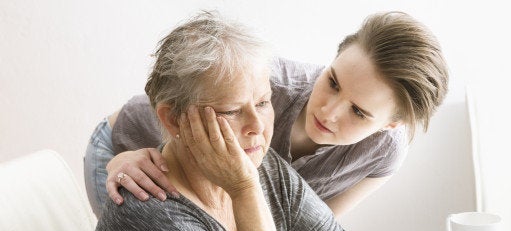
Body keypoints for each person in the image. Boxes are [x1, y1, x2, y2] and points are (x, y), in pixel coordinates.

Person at [66, 11, 362, 231]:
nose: (257, 127)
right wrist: (245, 189)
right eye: (232, 110)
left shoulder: (263, 164)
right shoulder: (150, 217)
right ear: (173, 119)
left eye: (262, 102)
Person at [84, 11, 449, 218]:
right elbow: (166, 105)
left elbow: (317, 229)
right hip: (126, 146)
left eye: (358, 111)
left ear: (391, 123)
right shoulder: (269, 84)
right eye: (333, 82)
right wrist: (122, 159)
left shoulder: (384, 152)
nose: (329, 110)